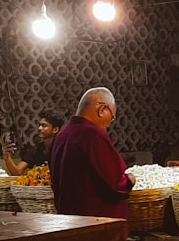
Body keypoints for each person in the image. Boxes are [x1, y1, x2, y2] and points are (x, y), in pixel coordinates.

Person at [49, 87, 135, 218]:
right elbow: (115, 184)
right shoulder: (93, 135)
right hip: (96, 222)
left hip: (68, 220)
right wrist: (129, 180)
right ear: (102, 110)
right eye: (112, 117)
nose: (109, 124)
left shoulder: (61, 136)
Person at [3, 110, 64, 175]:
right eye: (39, 125)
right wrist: (7, 156)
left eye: (44, 125)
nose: (40, 128)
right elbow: (17, 172)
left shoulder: (63, 149)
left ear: (55, 129)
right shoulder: (36, 150)